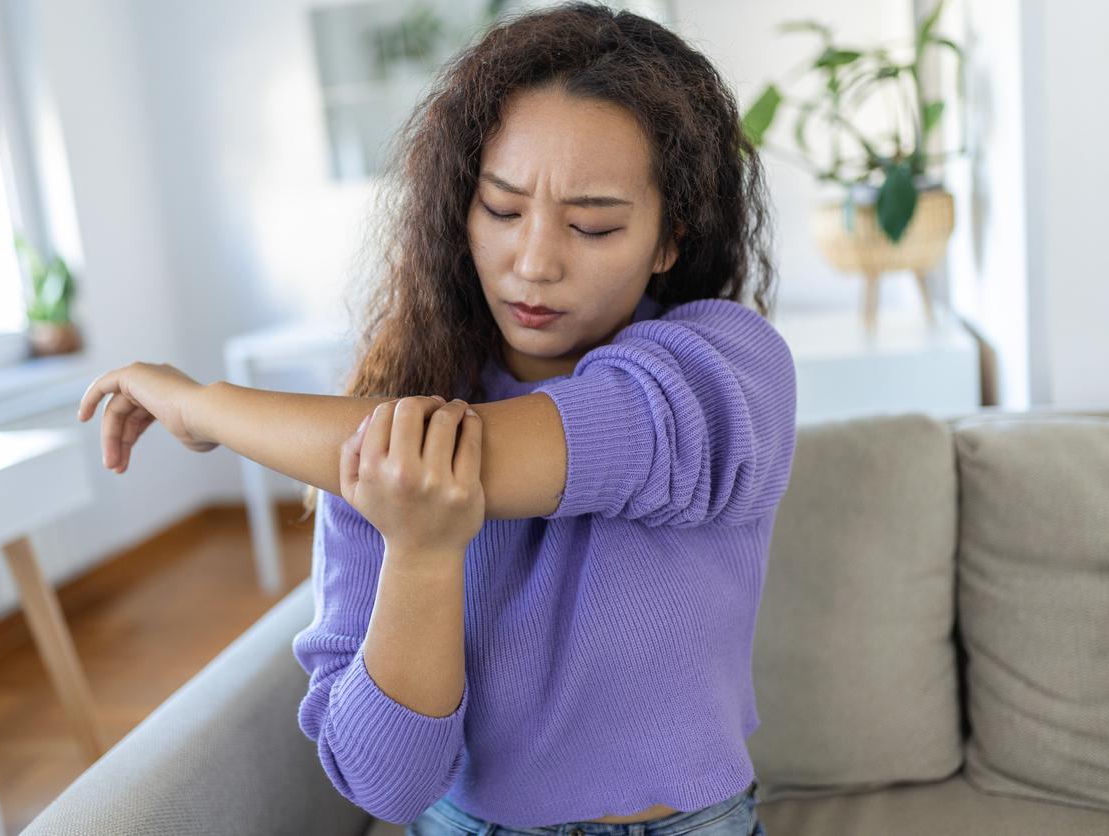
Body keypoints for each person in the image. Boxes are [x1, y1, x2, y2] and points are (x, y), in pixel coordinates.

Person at [77, 2, 792, 833]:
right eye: (501, 209)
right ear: (459, 209)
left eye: (593, 224)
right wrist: (419, 554)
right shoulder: (378, 418)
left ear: (670, 237)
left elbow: (476, 458)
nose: (534, 262)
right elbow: (385, 786)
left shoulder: (726, 369)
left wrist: (206, 409)